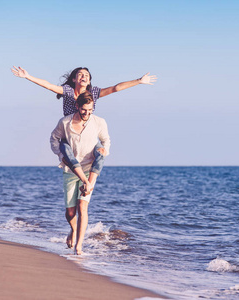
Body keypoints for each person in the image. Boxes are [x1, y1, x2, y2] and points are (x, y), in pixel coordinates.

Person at [12, 66, 156, 194]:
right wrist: (28, 76)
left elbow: (115, 88)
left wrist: (139, 80)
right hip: (69, 134)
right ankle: (83, 180)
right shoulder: (68, 91)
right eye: (80, 74)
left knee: (101, 152)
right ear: (74, 79)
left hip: (88, 133)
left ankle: (89, 183)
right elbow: (49, 86)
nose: (84, 76)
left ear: (89, 81)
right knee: (66, 152)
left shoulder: (92, 93)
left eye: (86, 75)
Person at [50, 91, 110, 255]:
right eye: (84, 110)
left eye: (90, 110)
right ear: (77, 106)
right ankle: (73, 230)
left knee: (83, 206)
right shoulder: (65, 122)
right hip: (70, 170)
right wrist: (60, 155)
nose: (87, 114)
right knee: (70, 213)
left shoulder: (98, 122)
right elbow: (54, 138)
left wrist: (105, 149)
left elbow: (106, 140)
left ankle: (79, 246)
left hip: (89, 171)